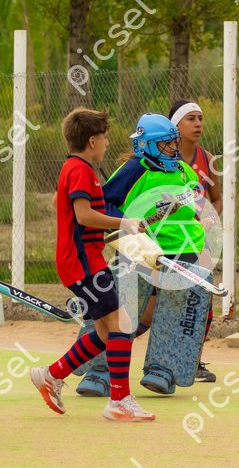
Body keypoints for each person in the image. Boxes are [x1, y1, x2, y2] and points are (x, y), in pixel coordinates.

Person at [30, 108, 155, 422]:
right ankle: (119, 400)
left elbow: (71, 212)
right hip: (83, 263)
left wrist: (113, 229)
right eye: (105, 137)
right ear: (91, 141)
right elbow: (84, 215)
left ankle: (51, 375)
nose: (108, 143)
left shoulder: (76, 168)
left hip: (84, 261)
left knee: (103, 331)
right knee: (122, 323)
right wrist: (124, 223)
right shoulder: (81, 170)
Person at [101, 112, 206, 395]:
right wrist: (129, 225)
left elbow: (196, 201)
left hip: (183, 248)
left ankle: (163, 370)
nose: (173, 148)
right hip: (141, 250)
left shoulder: (184, 170)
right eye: (165, 144)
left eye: (173, 142)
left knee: (174, 310)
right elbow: (105, 204)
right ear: (146, 144)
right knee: (122, 309)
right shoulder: (133, 170)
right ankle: (101, 370)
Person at [169, 99, 221, 383]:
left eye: (200, 118)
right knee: (157, 305)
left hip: (198, 241)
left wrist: (208, 219)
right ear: (175, 125)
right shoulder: (165, 159)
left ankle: (193, 360)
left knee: (202, 298)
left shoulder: (207, 159)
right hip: (168, 240)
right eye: (191, 119)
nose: (198, 123)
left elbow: (216, 200)